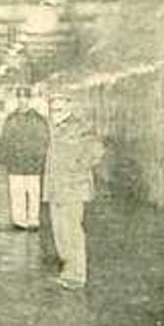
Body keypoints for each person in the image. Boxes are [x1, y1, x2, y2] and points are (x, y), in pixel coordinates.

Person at [44, 94, 104, 291]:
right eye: (53, 111)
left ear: (69, 109)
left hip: (72, 188)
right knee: (60, 232)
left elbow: (97, 150)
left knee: (72, 232)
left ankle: (76, 275)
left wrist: (78, 167)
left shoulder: (80, 127)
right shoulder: (54, 128)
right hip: (56, 187)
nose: (55, 114)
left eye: (60, 110)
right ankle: (68, 270)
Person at [0, 91, 49, 229]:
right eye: (20, 98)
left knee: (33, 192)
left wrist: (41, 159)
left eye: (25, 98)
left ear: (30, 100)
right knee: (17, 192)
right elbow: (5, 140)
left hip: (33, 162)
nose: (22, 101)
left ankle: (33, 219)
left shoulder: (38, 119)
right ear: (17, 100)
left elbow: (44, 141)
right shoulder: (11, 119)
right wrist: (4, 159)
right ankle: (19, 220)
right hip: (15, 163)